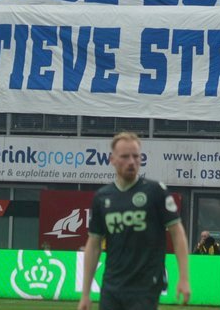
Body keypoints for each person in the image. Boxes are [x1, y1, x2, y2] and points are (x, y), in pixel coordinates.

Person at [78, 132, 189, 310]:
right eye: (125, 156)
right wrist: (85, 294)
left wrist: (184, 278)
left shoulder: (155, 191)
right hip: (112, 286)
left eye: (136, 156)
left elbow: (177, 233)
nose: (131, 161)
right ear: (112, 160)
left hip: (145, 286)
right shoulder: (102, 197)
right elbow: (94, 244)